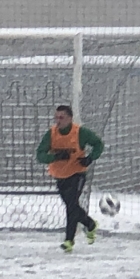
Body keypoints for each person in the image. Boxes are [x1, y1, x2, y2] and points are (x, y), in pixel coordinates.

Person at [35, 105, 104, 253]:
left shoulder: (80, 133)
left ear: (70, 118)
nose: (58, 121)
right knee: (72, 206)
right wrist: (54, 157)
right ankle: (90, 224)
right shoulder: (51, 134)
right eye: (56, 117)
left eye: (62, 117)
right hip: (60, 176)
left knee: (71, 205)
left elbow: (98, 144)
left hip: (77, 174)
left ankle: (69, 240)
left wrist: (90, 158)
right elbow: (40, 155)